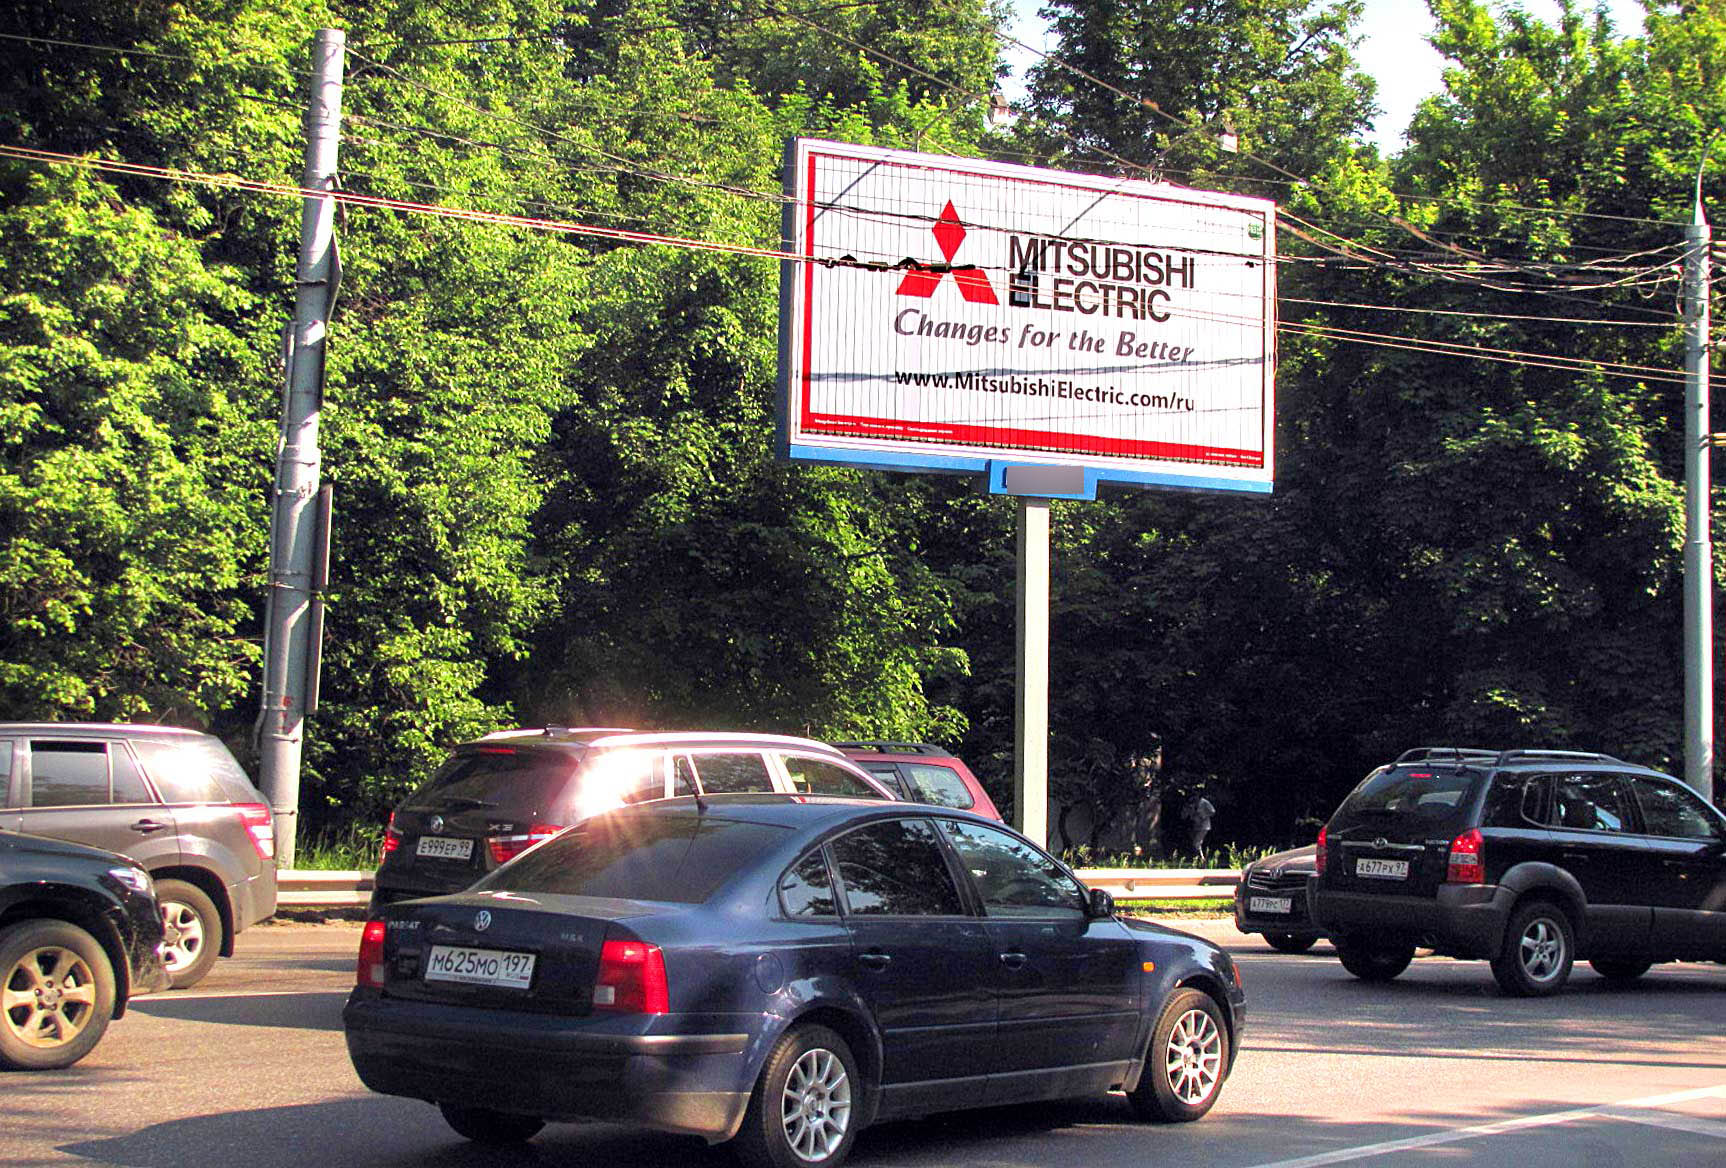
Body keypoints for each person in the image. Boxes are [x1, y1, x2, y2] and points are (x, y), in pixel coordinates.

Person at [1184, 789, 1216, 855]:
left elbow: (1213, 811)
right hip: (1195, 825)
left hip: (1204, 826)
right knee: (1196, 842)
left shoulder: (1204, 802)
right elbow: (1186, 815)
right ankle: (1199, 856)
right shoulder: (1192, 804)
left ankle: (1200, 857)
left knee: (1196, 842)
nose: (1194, 798)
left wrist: (1204, 816)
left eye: (1195, 796)